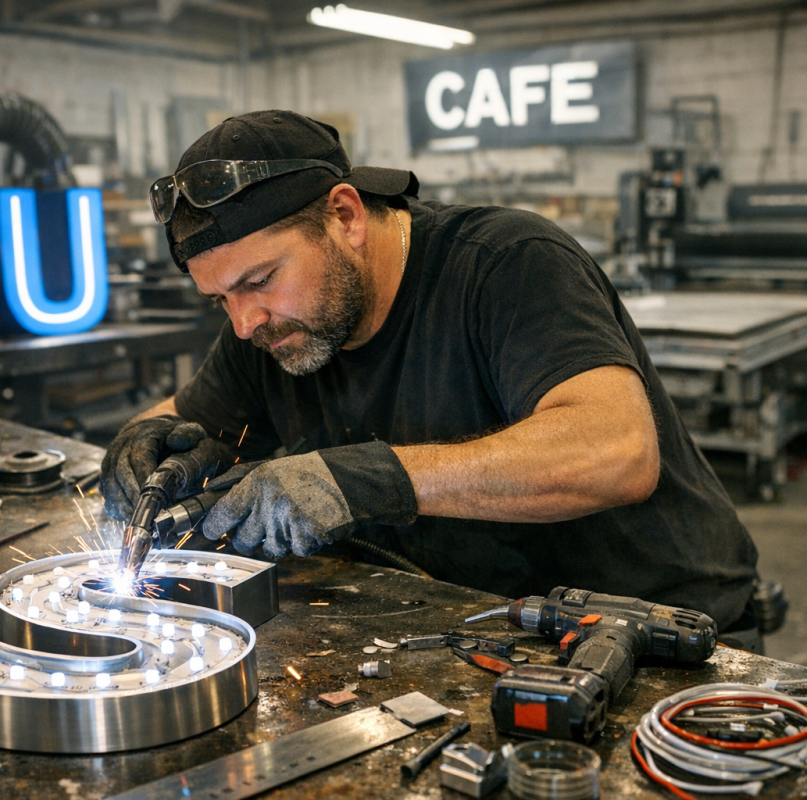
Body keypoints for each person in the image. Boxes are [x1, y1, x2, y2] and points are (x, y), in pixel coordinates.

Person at [100, 110, 759, 634]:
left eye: (260, 280)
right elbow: (182, 416)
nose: (243, 323)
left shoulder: (507, 264)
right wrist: (142, 446)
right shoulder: (270, 324)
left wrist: (371, 479)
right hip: (475, 625)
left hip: (660, 632)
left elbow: (616, 451)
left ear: (345, 215)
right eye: (221, 299)